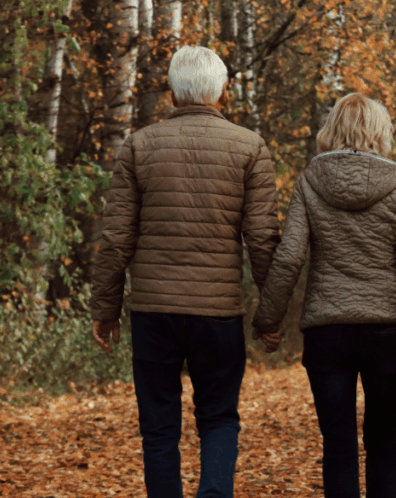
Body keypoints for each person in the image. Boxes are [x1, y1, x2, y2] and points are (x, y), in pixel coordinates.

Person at [90, 45, 280, 498]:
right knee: (218, 419)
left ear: (173, 95)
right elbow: (263, 239)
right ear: (222, 94)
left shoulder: (139, 145)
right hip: (218, 314)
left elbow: (117, 237)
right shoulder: (249, 147)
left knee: (158, 428)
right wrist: (270, 316)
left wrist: (106, 308)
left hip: (153, 314)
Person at [251, 93, 396, 498]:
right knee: (383, 440)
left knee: (337, 442)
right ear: (380, 133)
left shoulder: (309, 183)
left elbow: (288, 259)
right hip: (387, 332)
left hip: (328, 332)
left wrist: (269, 321)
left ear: (332, 130)